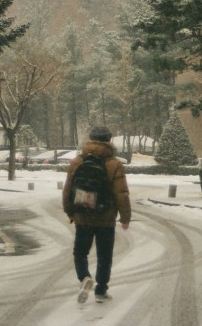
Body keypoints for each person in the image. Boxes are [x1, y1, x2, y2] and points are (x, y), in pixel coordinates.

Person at [62, 126, 131, 304]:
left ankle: (84, 277)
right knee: (104, 255)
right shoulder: (115, 164)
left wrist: (70, 211)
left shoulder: (77, 161)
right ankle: (101, 289)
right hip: (105, 217)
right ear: (109, 141)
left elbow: (68, 190)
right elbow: (121, 193)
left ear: (90, 140)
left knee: (80, 252)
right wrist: (125, 217)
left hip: (83, 215)